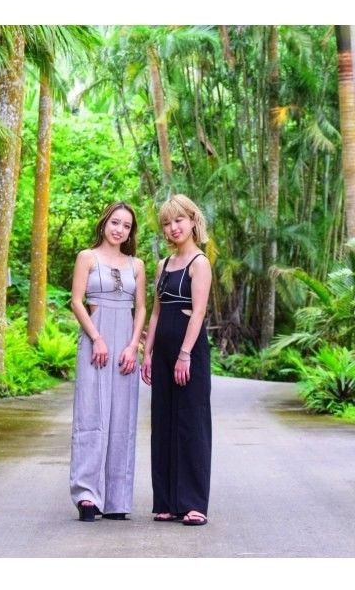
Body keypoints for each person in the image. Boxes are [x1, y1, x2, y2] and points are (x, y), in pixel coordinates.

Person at [69, 201, 146, 522]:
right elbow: (76, 301)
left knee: (122, 418)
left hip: (125, 342)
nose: (120, 230)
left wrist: (132, 346)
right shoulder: (87, 257)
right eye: (115, 222)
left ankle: (116, 499)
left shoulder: (137, 265)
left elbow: (141, 307)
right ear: (104, 223)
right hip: (95, 338)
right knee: (90, 413)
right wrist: (96, 338)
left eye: (126, 226)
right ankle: (86, 495)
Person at [141, 194, 212, 526]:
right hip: (163, 349)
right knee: (164, 422)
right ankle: (167, 501)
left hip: (189, 349)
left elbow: (198, 312)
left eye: (178, 220)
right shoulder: (163, 266)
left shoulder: (200, 263)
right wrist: (147, 353)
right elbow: (155, 313)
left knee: (191, 423)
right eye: (167, 224)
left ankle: (193, 502)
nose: (173, 228)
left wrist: (185, 354)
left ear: (193, 220)